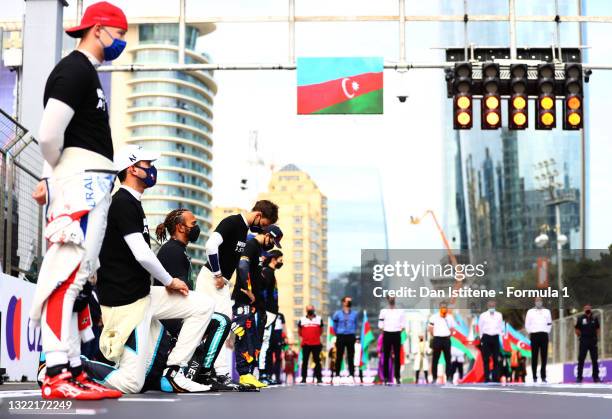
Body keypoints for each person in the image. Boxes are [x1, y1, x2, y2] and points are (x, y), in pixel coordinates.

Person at [29, 1, 128, 400]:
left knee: (81, 278)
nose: (119, 42)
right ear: (99, 29)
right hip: (80, 180)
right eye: (119, 35)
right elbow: (49, 135)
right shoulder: (75, 69)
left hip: (90, 180)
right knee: (66, 277)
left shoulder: (87, 73)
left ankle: (71, 367)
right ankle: (57, 372)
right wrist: (58, 177)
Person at [94, 145, 215, 393]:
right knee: (131, 383)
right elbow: (142, 254)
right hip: (126, 302)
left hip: (144, 295)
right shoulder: (122, 203)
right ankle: (74, 368)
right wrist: (170, 281)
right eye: (147, 165)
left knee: (203, 305)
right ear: (132, 169)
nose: (152, 170)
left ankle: (173, 372)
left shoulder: (134, 203)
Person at [195, 200, 279, 389]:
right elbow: (210, 246)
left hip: (222, 283)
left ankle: (218, 373)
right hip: (210, 278)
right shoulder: (232, 222)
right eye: (264, 225)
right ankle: (198, 370)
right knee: (209, 326)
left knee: (223, 328)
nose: (263, 229)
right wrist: (217, 273)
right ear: (258, 215)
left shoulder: (244, 231)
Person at [154, 208, 234, 389]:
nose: (196, 227)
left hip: (176, 311)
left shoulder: (177, 250)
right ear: (181, 228)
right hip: (171, 316)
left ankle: (203, 371)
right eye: (194, 224)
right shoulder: (172, 252)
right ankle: (205, 374)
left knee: (214, 317)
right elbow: (179, 292)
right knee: (221, 322)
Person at [232, 226, 283, 388]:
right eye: (272, 241)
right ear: (267, 235)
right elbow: (242, 266)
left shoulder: (259, 250)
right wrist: (247, 290)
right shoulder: (251, 245)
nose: (272, 245)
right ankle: (244, 375)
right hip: (243, 300)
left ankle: (249, 374)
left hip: (254, 304)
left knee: (253, 340)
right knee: (243, 337)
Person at [258, 249, 284, 385]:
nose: (282, 262)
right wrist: (264, 312)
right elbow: (263, 294)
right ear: (274, 259)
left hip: (271, 313)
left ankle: (265, 374)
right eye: (280, 259)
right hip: (267, 313)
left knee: (267, 345)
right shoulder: (267, 272)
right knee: (264, 343)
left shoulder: (271, 273)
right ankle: (261, 374)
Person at [332, 296, 359, 384]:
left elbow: (355, 325)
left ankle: (351, 375)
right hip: (341, 336)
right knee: (339, 356)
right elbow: (334, 326)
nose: (349, 302)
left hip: (351, 336)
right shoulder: (337, 314)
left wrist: (352, 332)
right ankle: (337, 375)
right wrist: (338, 333)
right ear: (343, 302)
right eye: (348, 301)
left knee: (351, 356)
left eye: (350, 301)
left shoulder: (354, 314)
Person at [378, 296, 405, 385]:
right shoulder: (383, 311)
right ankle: (385, 377)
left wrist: (398, 331)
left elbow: (403, 325)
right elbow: (380, 324)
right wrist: (384, 333)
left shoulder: (400, 311)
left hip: (397, 334)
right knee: (386, 356)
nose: (392, 299)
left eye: (393, 297)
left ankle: (397, 377)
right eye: (390, 297)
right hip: (387, 334)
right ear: (387, 298)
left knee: (397, 357)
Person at [525, 297, 552, 383]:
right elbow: (527, 324)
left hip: (544, 335)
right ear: (535, 302)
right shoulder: (530, 312)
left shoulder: (547, 311)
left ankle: (543, 376)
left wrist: (546, 331)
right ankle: (534, 377)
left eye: (540, 301)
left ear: (542, 302)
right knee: (534, 356)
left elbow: (549, 323)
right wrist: (530, 332)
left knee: (544, 356)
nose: (538, 302)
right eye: (537, 301)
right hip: (534, 335)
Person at [428, 302, 455, 384]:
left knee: (448, 359)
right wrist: (435, 335)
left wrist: (448, 335)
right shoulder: (434, 317)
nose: (444, 309)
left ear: (447, 308)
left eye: (445, 307)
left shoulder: (450, 317)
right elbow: (430, 328)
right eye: (442, 307)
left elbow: (452, 328)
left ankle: (449, 378)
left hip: (446, 339)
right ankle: (434, 378)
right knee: (435, 359)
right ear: (439, 308)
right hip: (437, 339)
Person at [478, 300, 503, 383]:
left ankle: (495, 377)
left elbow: (500, 326)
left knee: (496, 359)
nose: (492, 307)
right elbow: (480, 327)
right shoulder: (483, 315)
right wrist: (481, 337)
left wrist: (500, 336)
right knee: (486, 359)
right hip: (486, 337)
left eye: (493, 306)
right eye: (490, 306)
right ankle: (487, 377)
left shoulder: (499, 315)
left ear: (495, 306)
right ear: (488, 306)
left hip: (495, 337)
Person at [575, 304, 601, 383]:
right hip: (584, 341)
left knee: (595, 359)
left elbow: (598, 328)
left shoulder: (594, 318)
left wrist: (595, 337)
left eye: (589, 308)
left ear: (591, 309)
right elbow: (576, 329)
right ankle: (579, 378)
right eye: (586, 308)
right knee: (581, 359)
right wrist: (580, 336)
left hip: (593, 341)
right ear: (584, 309)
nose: (587, 309)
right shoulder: (580, 318)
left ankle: (596, 377)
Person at [298, 305, 324, 384]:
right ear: (306, 310)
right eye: (309, 309)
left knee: (317, 361)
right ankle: (303, 378)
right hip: (305, 344)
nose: (310, 310)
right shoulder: (302, 320)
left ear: (314, 309)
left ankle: (319, 378)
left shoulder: (319, 319)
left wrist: (315, 337)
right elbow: (299, 331)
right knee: (305, 361)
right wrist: (304, 339)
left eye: (311, 309)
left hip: (316, 344)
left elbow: (321, 331)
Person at [270, 312, 286, 383]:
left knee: (278, 358)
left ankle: (277, 377)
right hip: (269, 336)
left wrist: (285, 337)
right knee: (268, 357)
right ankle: (268, 375)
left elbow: (284, 326)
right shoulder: (267, 313)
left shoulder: (280, 315)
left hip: (278, 336)